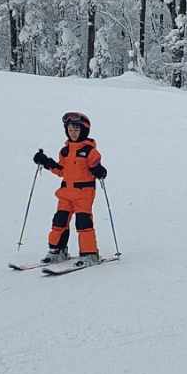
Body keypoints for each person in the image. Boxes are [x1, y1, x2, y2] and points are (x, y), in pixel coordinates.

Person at [33, 111, 108, 261]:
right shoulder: (65, 151)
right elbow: (61, 171)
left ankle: (90, 254)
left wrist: (99, 171)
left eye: (76, 130)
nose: (73, 133)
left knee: (83, 221)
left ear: (84, 131)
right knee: (59, 220)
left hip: (84, 193)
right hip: (66, 192)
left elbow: (99, 168)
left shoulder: (90, 151)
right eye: (70, 130)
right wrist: (46, 162)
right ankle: (57, 251)